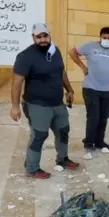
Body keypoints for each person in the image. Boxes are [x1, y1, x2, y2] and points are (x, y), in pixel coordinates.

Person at [10, 23, 80, 179]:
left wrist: (69, 89)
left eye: (45, 36)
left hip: (57, 102)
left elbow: (61, 72)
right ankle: (32, 167)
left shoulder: (55, 51)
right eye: (38, 37)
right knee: (39, 135)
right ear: (33, 37)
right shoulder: (25, 56)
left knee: (63, 131)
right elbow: (17, 82)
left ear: (49, 35)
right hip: (37, 104)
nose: (42, 39)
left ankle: (62, 159)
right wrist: (15, 106)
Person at [68, 27, 109, 156]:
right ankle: (89, 143)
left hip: (106, 89)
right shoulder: (90, 46)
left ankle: (100, 142)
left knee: (103, 117)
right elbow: (72, 52)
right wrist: (83, 67)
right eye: (104, 38)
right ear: (100, 37)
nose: (106, 40)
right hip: (91, 88)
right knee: (93, 117)